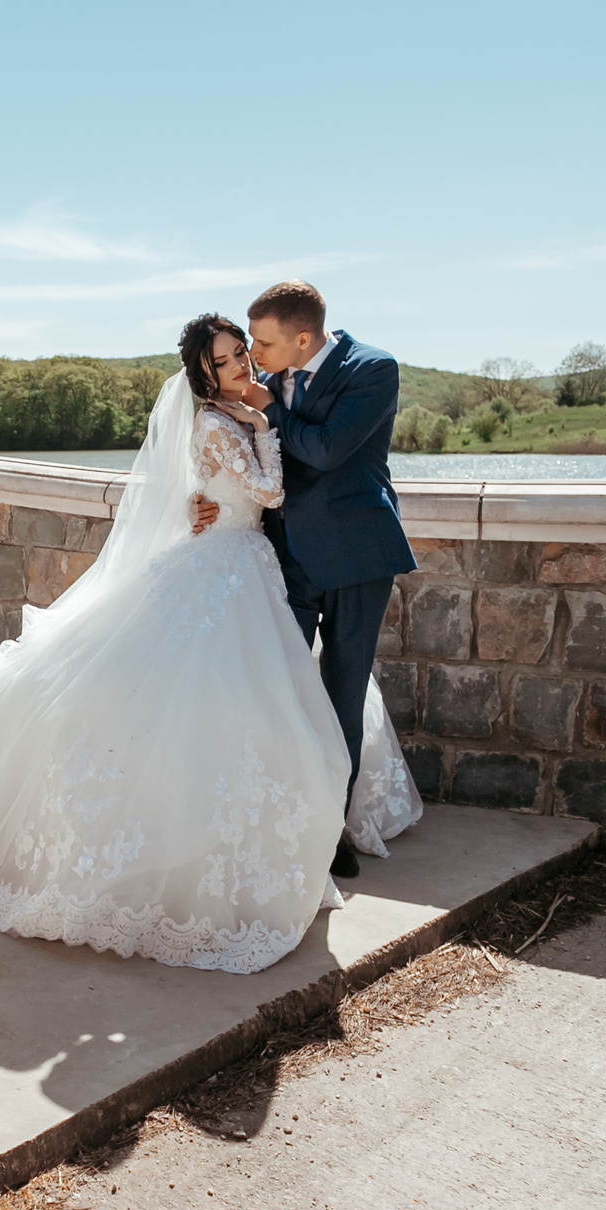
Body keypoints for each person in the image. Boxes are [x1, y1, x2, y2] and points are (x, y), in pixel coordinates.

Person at [0, 312, 419, 975]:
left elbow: (228, 483)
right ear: (204, 373)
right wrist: (256, 430)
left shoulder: (277, 388)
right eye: (227, 358)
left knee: (281, 698)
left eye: (243, 351)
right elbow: (266, 486)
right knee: (221, 704)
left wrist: (221, 471)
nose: (243, 363)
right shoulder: (226, 420)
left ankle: (307, 826)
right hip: (233, 567)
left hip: (254, 564)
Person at [191, 280, 418, 877]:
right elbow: (225, 454)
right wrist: (202, 501)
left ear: (300, 337)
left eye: (261, 343)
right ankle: (275, 816)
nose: (252, 356)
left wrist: (270, 411)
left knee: (342, 692)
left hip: (357, 556)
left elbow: (324, 449)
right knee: (275, 683)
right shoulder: (265, 381)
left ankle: (328, 834)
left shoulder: (374, 369)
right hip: (282, 556)